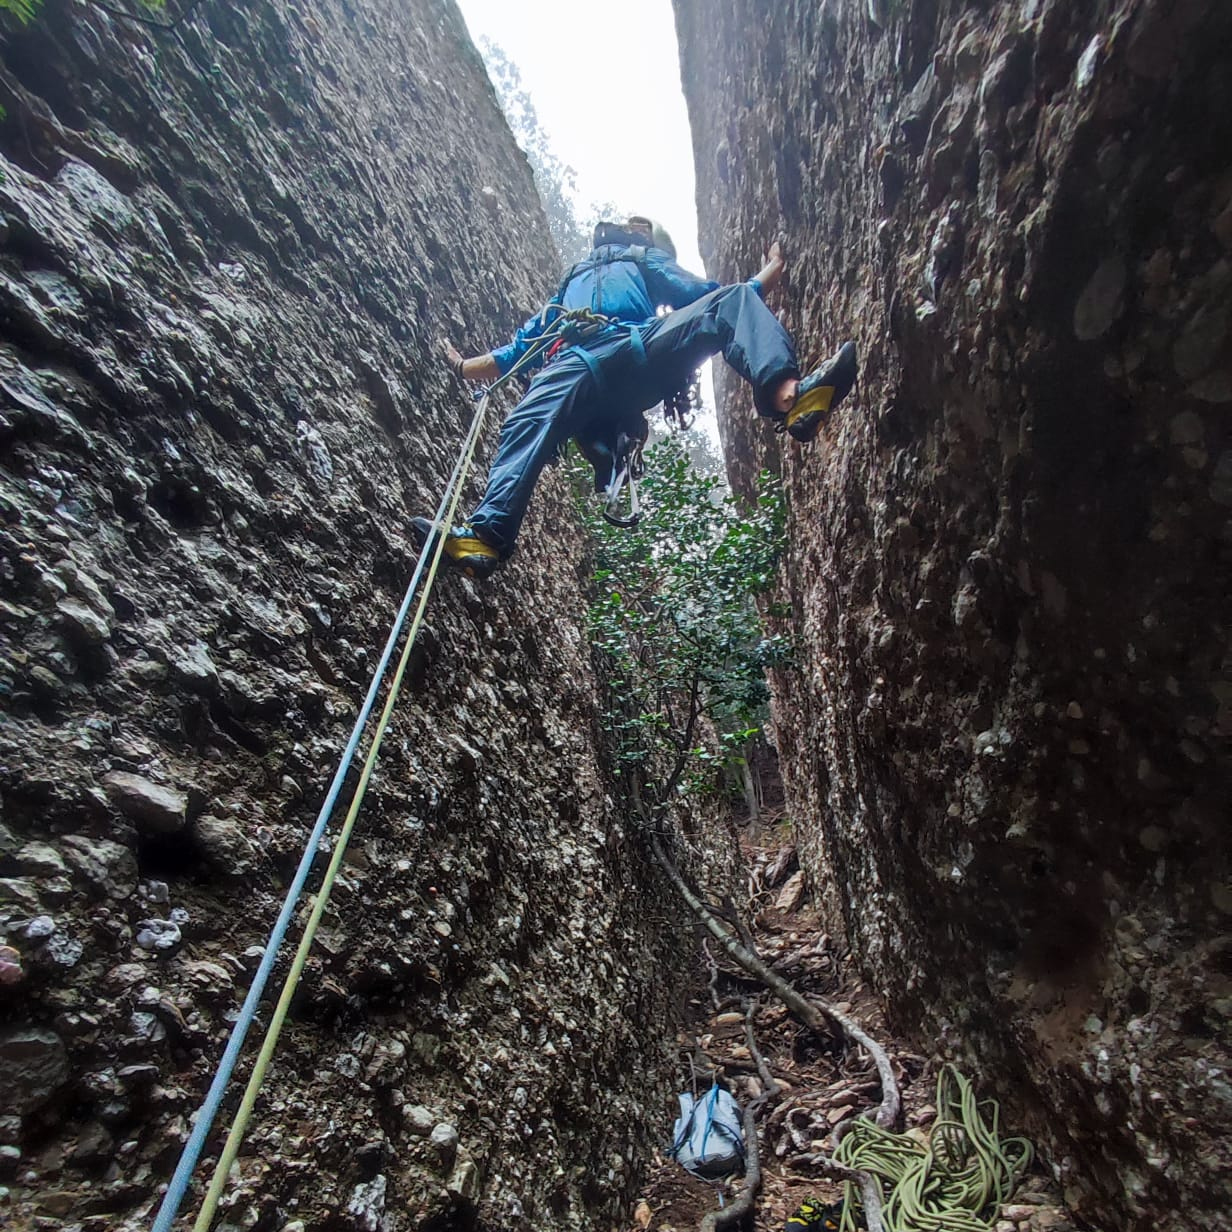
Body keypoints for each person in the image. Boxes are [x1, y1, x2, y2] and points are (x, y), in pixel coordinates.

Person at [414, 215, 857, 579]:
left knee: (531, 421)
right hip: (610, 356)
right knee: (525, 420)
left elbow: (712, 297)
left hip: (624, 349)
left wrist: (765, 275)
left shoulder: (641, 259)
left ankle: (791, 396)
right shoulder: (572, 281)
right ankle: (485, 537)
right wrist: (463, 366)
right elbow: (521, 348)